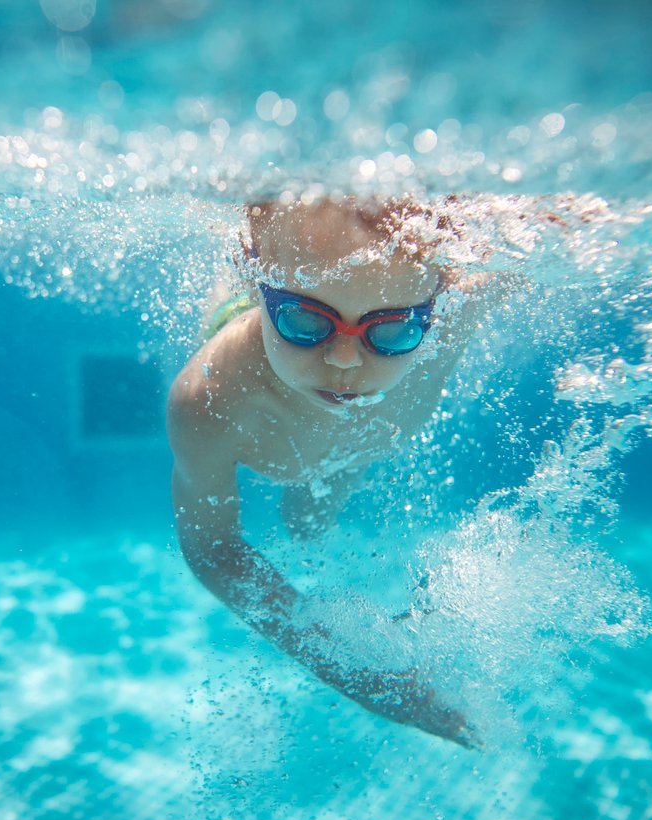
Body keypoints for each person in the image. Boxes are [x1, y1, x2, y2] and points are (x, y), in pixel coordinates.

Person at [166, 196, 523, 748]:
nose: (345, 363)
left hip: (351, 455)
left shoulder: (455, 314)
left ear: (439, 296)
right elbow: (214, 549)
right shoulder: (209, 400)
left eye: (393, 331)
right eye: (306, 319)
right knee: (308, 517)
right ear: (254, 266)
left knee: (309, 525)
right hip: (246, 342)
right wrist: (360, 675)